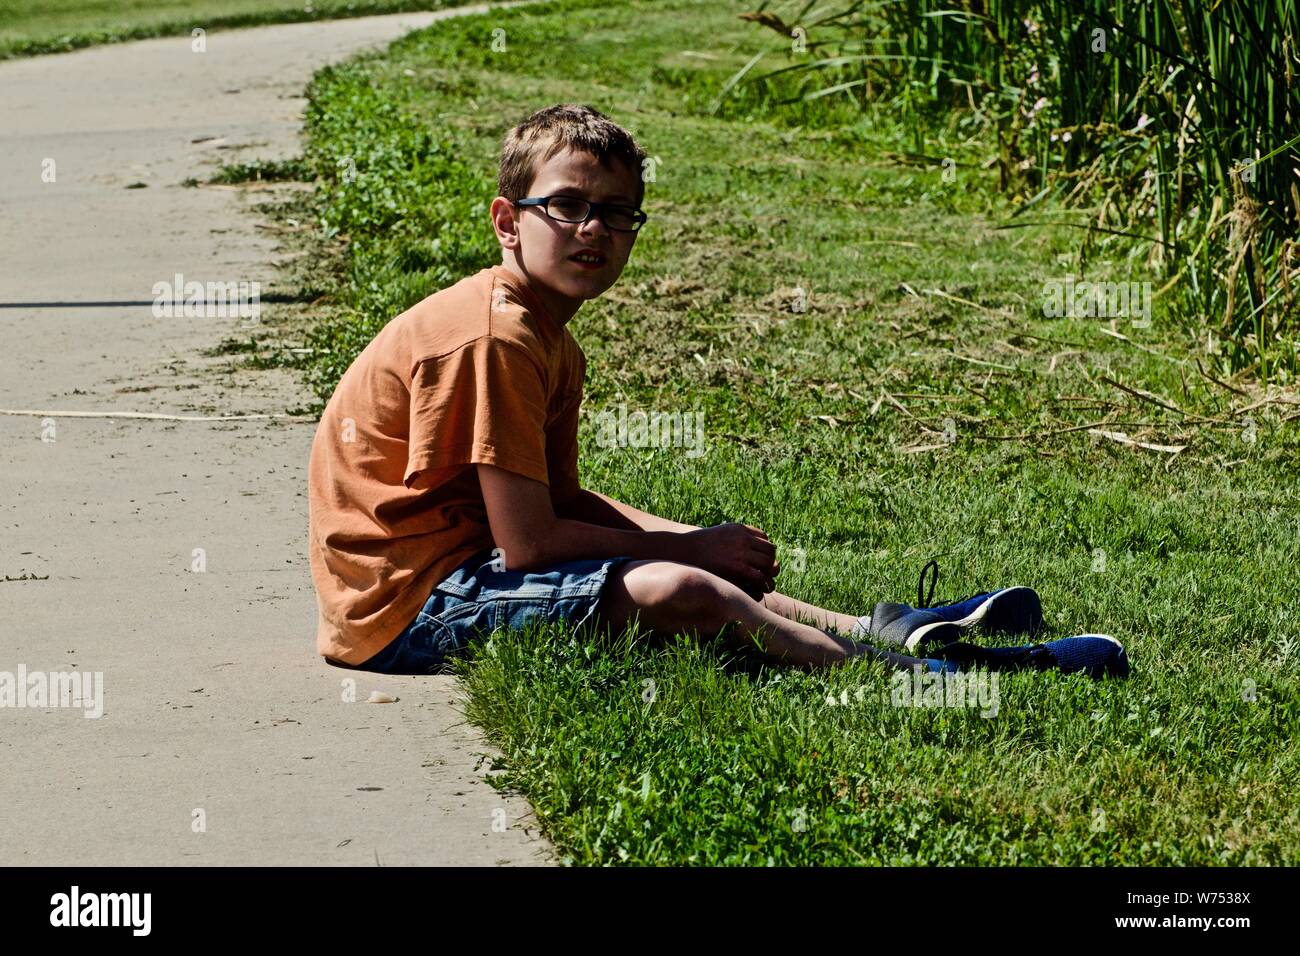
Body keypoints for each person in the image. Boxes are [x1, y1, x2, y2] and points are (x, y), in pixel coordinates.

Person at [307, 103, 1129, 680]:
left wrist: (696, 532)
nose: (592, 228)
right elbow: (529, 547)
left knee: (692, 560)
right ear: (507, 220)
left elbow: (562, 506)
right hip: (405, 610)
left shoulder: (541, 333)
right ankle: (913, 674)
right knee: (685, 588)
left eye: (616, 212)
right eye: (566, 206)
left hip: (462, 567)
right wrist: (692, 553)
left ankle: (874, 627)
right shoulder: (495, 337)